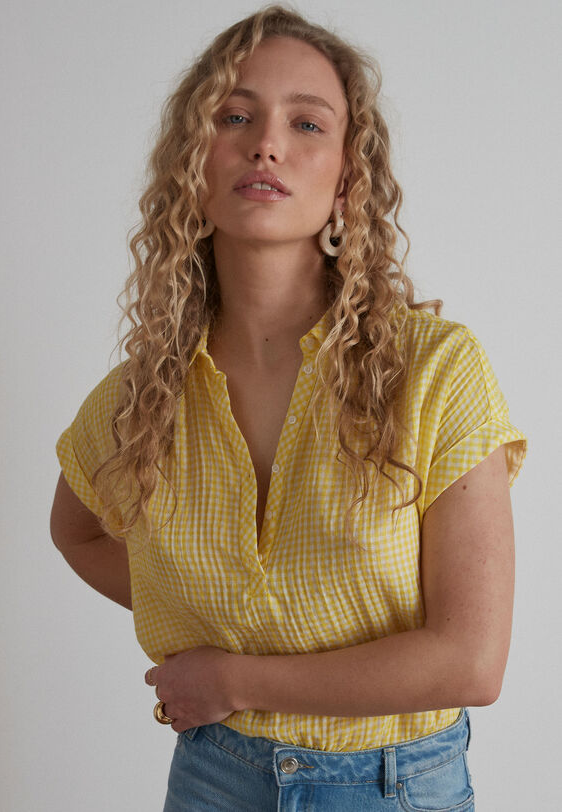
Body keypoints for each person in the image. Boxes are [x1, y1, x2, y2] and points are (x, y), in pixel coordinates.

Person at [50, 6, 527, 810]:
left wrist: (236, 675)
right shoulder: (142, 395)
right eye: (234, 117)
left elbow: (471, 663)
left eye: (306, 123)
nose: (266, 144)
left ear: (348, 176)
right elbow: (76, 531)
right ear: (192, 161)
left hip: (394, 787)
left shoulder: (435, 369)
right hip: (214, 777)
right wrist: (205, 608)